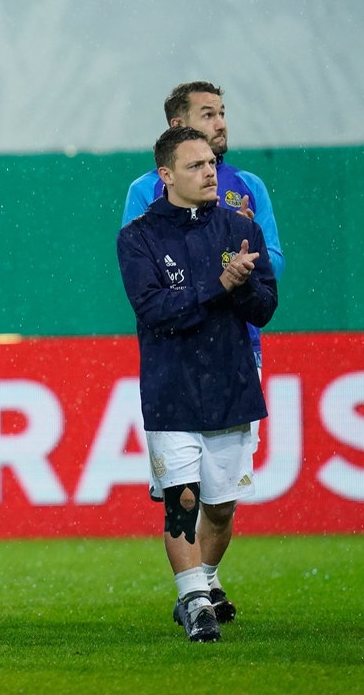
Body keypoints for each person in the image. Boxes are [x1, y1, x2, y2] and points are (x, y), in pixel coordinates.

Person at [120, 81, 284, 622]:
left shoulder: (242, 221)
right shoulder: (139, 229)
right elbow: (153, 308)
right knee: (182, 500)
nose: (211, 169)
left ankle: (203, 582)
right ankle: (194, 599)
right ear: (167, 174)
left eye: (212, 162)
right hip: (170, 377)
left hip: (234, 369)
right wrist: (220, 284)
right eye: (197, 164)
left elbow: (264, 304)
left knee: (221, 504)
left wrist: (240, 283)